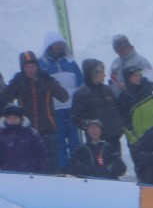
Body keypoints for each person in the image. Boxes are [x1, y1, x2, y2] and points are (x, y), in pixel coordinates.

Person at [0, 51, 69, 172]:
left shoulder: (46, 80)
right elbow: (5, 101)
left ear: (37, 67)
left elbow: (64, 97)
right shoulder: (18, 82)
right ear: (22, 68)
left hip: (48, 131)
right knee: (31, 169)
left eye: (33, 66)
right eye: (27, 67)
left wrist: (53, 82)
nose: (30, 70)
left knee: (52, 168)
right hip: (27, 133)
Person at [37, 33, 82, 172]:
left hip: (71, 109)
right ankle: (63, 170)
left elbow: (81, 84)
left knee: (75, 140)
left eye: (60, 44)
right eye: (55, 44)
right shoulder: (41, 65)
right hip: (54, 111)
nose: (58, 47)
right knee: (59, 141)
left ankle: (77, 167)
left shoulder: (71, 63)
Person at [71, 58, 126, 156]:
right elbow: (77, 118)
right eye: (101, 72)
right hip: (96, 142)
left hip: (114, 138)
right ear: (92, 73)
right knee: (100, 168)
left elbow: (116, 110)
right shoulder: (81, 94)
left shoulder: (107, 90)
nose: (104, 75)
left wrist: (119, 128)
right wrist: (93, 128)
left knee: (117, 167)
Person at [116, 66, 153, 147]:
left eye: (139, 75)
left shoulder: (148, 92)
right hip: (138, 142)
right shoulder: (123, 98)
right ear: (128, 78)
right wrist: (134, 141)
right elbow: (124, 123)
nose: (138, 77)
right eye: (135, 75)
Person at [0, 104, 49, 174]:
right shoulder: (1, 134)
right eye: (9, 118)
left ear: (21, 118)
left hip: (28, 176)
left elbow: (42, 156)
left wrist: (41, 174)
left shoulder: (32, 134)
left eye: (15, 117)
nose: (12, 120)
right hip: (6, 176)